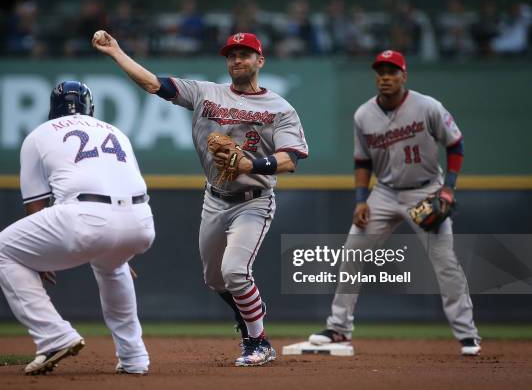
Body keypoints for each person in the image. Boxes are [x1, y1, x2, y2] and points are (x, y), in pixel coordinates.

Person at [93, 30, 308, 366]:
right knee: (214, 279)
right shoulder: (206, 93)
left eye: (245, 54)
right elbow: (153, 84)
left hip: (254, 200)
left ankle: (258, 341)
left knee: (236, 272)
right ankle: (250, 312)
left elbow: (289, 159)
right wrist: (116, 52)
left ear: (260, 60)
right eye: (231, 55)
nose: (237, 60)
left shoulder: (279, 108)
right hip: (215, 198)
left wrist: (253, 163)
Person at [308, 50, 481, 356]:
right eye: (381, 72)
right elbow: (362, 161)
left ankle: (468, 335)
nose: (385, 77)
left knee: (446, 264)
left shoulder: (427, 106)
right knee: (352, 252)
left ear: (404, 76)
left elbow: (456, 145)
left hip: (426, 190)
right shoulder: (363, 115)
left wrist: (448, 189)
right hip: (384, 193)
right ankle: (338, 328)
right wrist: (361, 200)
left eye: (392, 72)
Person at [0, 81, 155, 375]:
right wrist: (115, 248)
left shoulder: (39, 135)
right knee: (112, 268)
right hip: (140, 220)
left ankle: (54, 336)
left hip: (86, 215)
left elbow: (35, 206)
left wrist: (38, 256)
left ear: (54, 109)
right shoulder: (116, 132)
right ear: (91, 108)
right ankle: (134, 358)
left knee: (0, 251)